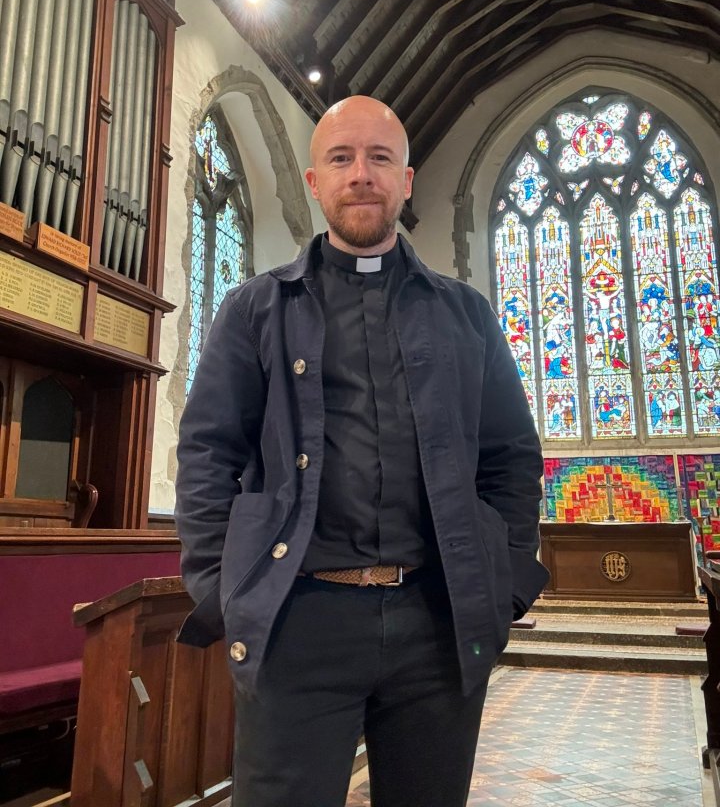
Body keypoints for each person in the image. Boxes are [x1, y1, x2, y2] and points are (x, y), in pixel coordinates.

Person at [174, 95, 548, 807]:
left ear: (406, 180)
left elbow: (510, 457)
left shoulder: (466, 315)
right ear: (314, 183)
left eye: (380, 158)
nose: (361, 175)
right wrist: (224, 586)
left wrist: (499, 589)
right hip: (299, 619)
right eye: (341, 158)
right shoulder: (255, 310)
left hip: (436, 619)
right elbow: (207, 452)